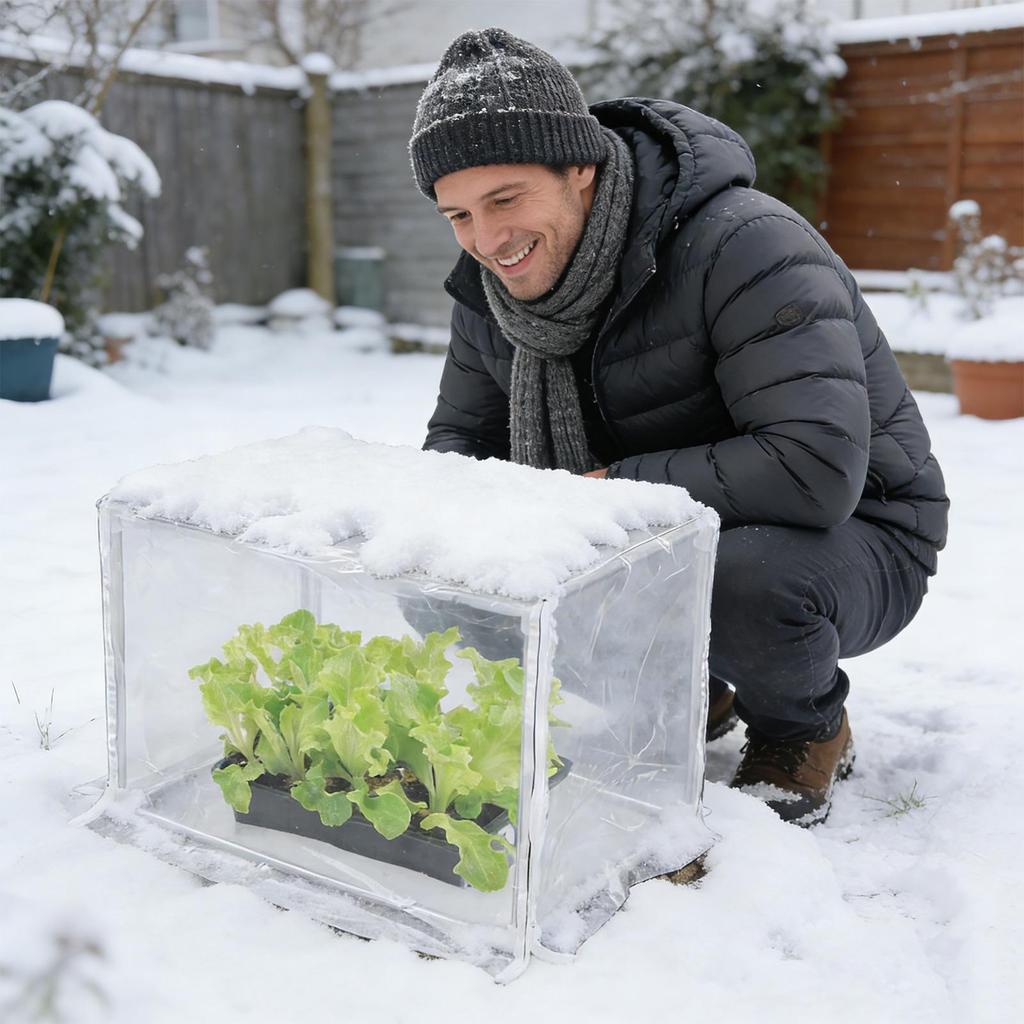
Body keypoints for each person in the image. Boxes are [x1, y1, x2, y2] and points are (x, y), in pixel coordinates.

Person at [409, 29, 948, 826]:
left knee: (739, 578)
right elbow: (459, 446)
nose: (488, 242)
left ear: (579, 169)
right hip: (663, 527)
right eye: (458, 214)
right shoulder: (491, 296)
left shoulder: (745, 245)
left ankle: (805, 727)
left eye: (505, 199)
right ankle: (698, 686)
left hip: (855, 535)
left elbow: (814, 467)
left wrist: (599, 495)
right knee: (458, 571)